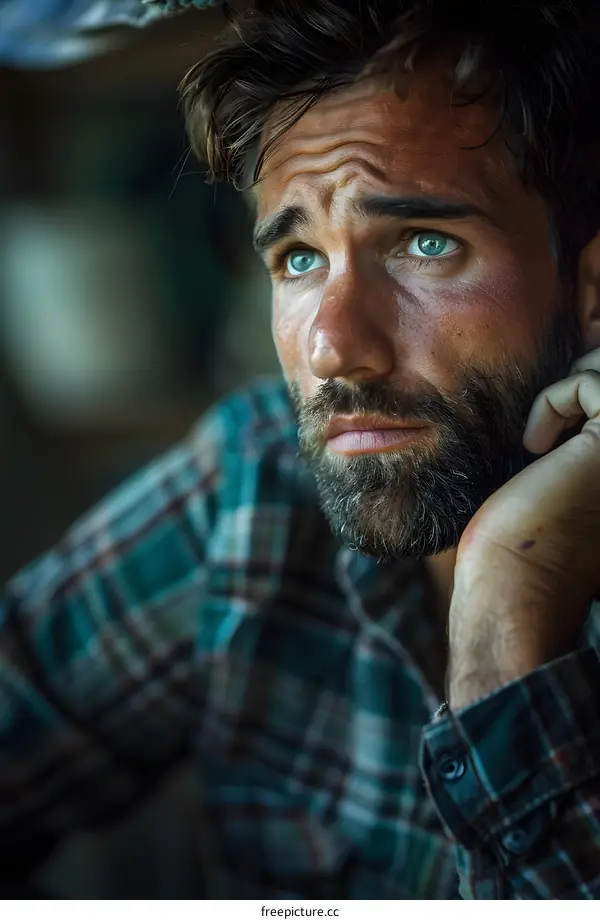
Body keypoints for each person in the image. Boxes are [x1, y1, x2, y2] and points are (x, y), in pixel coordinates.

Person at [3, 0, 600, 900]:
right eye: (299, 261)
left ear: (589, 288)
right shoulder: (252, 483)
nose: (332, 349)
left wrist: (509, 618)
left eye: (424, 243)